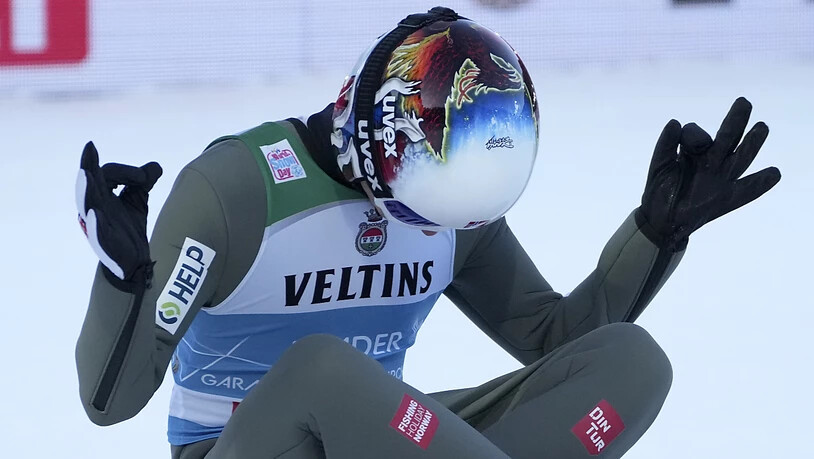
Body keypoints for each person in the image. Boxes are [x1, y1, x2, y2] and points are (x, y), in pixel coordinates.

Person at [74, 7, 780, 459]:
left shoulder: (448, 206)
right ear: (378, 133)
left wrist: (653, 235)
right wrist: (122, 284)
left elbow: (558, 342)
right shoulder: (235, 191)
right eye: (433, 182)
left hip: (385, 442)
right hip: (242, 446)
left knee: (633, 362)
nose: (443, 209)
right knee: (320, 366)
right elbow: (112, 404)